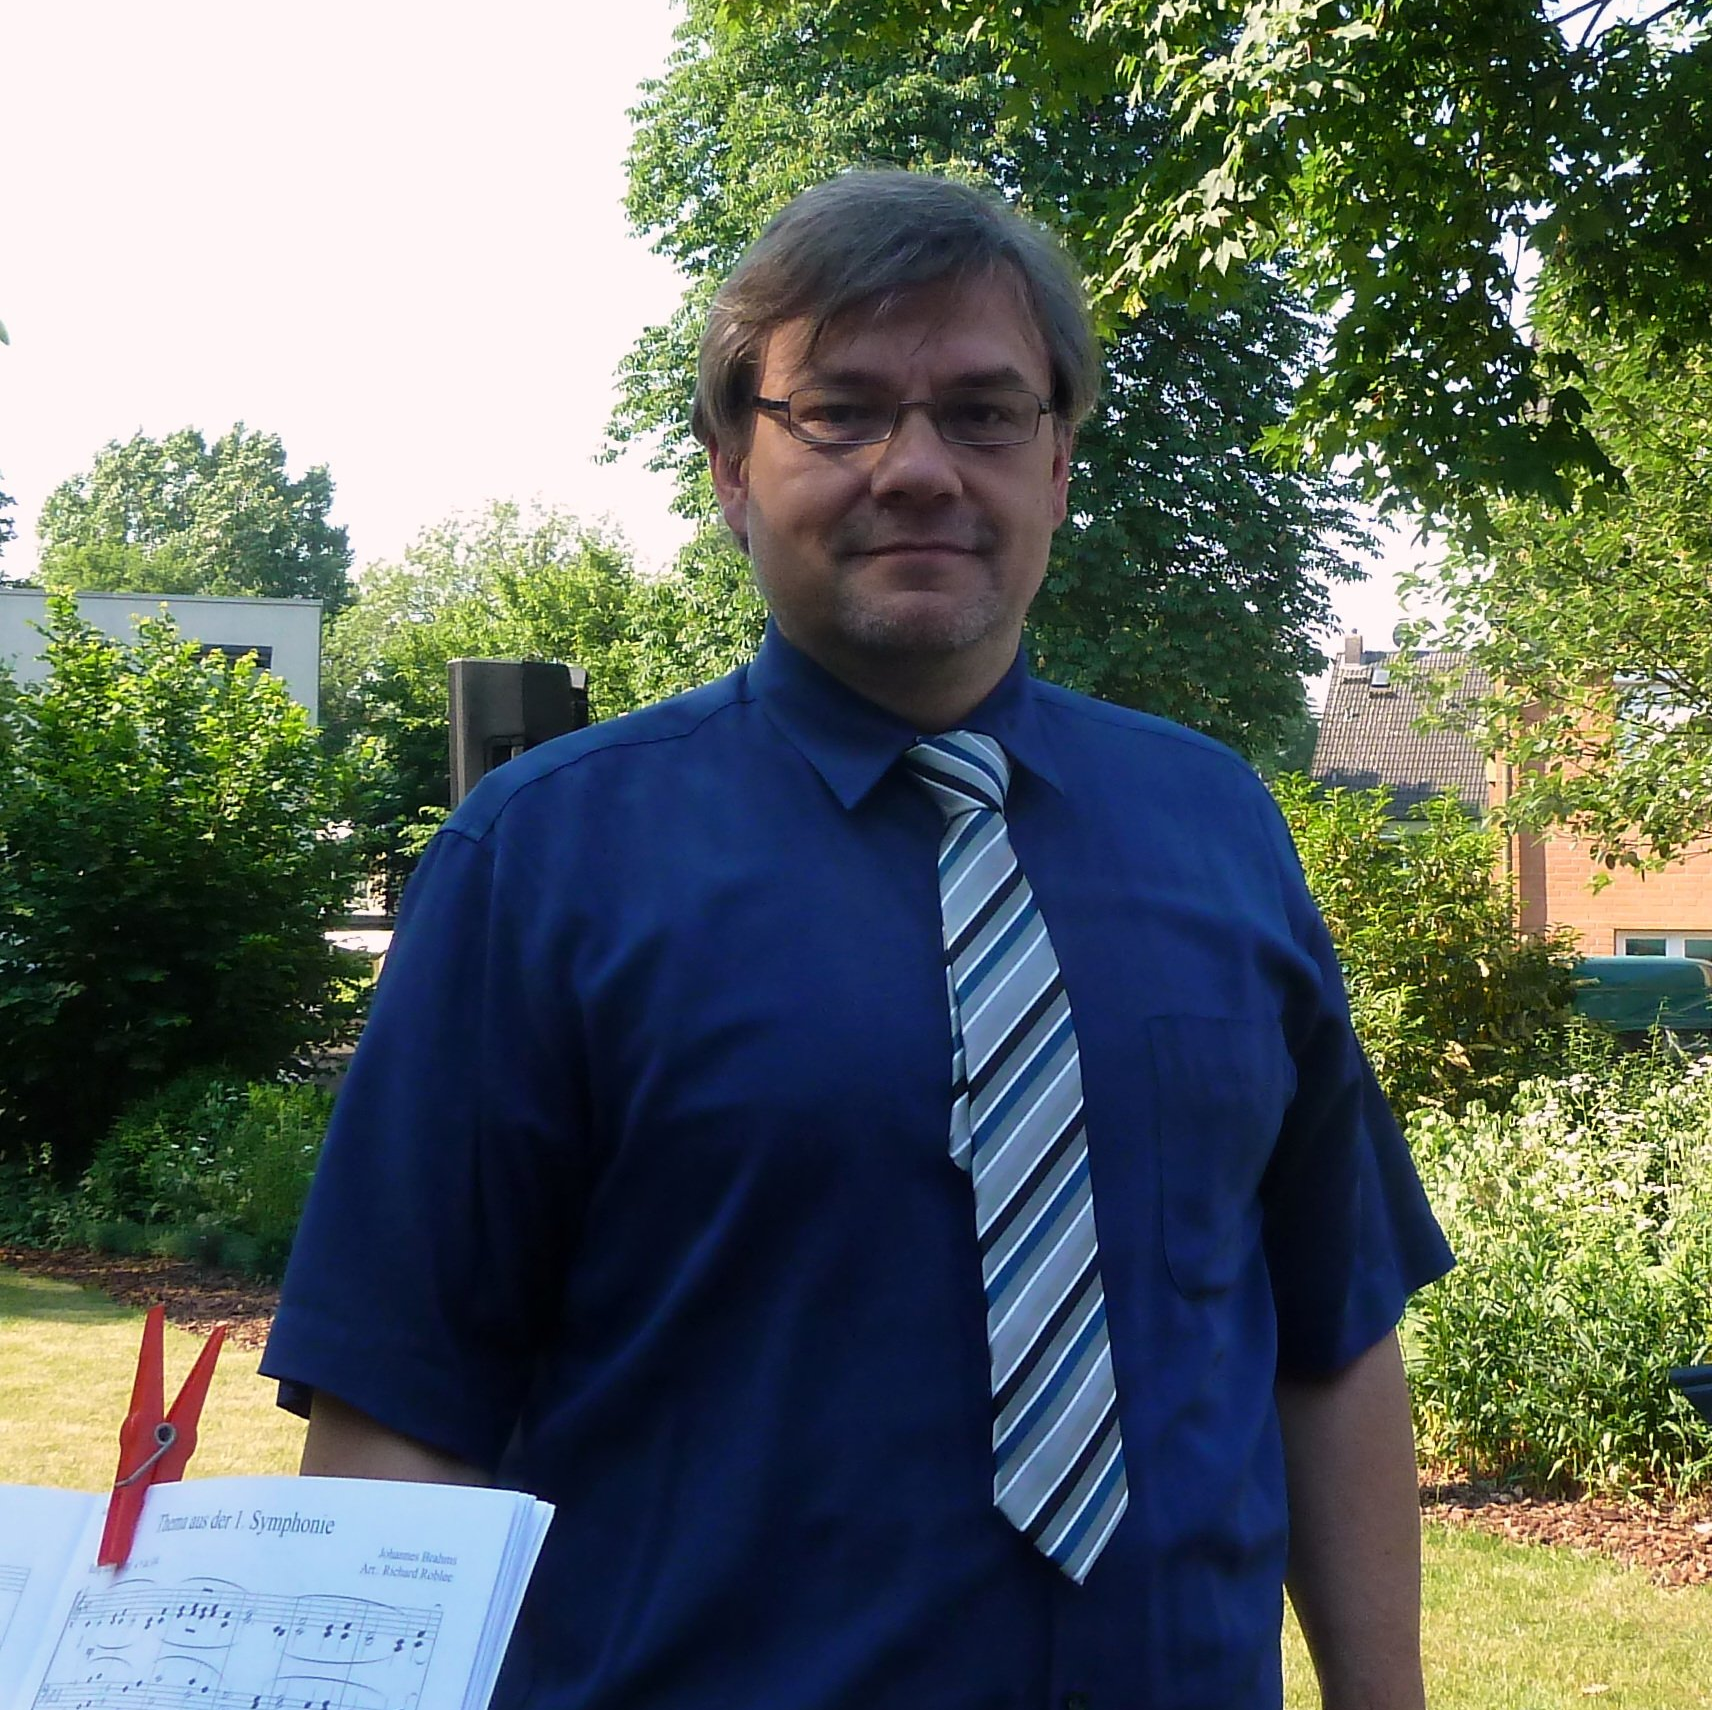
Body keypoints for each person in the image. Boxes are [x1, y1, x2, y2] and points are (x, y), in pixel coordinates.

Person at [262, 169, 1452, 1710]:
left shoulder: (1217, 829)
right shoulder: (541, 864)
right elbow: (399, 1408)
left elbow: (1331, 1333)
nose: (919, 468)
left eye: (984, 412)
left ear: (1058, 463)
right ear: (731, 466)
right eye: (841, 410)